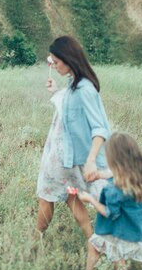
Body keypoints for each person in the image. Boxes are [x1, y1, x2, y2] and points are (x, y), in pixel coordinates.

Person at [36, 36, 112, 239]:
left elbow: (100, 129)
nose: (54, 65)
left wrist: (90, 161)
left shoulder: (84, 89)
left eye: (57, 61)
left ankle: (34, 240)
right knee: (71, 196)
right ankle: (92, 241)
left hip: (63, 157)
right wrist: (56, 91)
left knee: (46, 195)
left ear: (69, 60)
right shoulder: (73, 84)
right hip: (63, 153)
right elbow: (69, 109)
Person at [71, 132, 142, 270]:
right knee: (115, 248)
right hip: (129, 225)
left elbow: (109, 212)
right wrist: (98, 175)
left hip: (117, 226)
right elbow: (111, 173)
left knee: (94, 245)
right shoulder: (133, 174)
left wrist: (90, 200)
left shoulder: (114, 190)